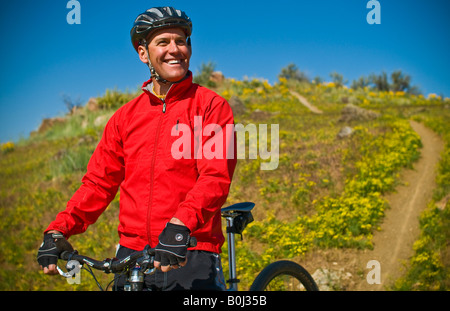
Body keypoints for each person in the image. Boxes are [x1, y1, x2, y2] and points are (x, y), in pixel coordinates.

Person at [37, 6, 236, 290]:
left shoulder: (211, 106)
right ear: (143, 54)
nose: (175, 49)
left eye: (180, 41)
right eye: (163, 42)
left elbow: (214, 177)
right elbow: (98, 183)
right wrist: (59, 229)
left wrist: (181, 225)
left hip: (189, 250)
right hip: (132, 255)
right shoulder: (125, 117)